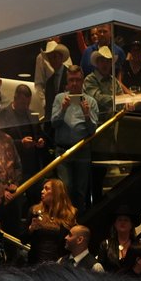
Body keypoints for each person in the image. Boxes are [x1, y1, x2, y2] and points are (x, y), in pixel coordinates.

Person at [50, 65, 98, 207]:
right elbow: (53, 123)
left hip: (82, 151)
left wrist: (87, 115)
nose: (74, 83)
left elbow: (93, 131)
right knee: (65, 188)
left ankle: (79, 222)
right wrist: (63, 110)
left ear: (82, 81)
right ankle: (65, 222)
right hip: (63, 151)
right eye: (71, 80)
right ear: (67, 82)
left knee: (80, 191)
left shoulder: (91, 102)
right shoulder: (59, 99)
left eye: (77, 80)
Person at [27, 178, 75, 265]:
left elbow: (71, 243)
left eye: (46, 189)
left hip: (59, 266)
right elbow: (23, 239)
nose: (42, 191)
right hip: (35, 265)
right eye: (42, 188)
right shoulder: (34, 210)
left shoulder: (69, 214)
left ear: (56, 192)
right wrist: (31, 229)